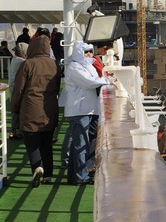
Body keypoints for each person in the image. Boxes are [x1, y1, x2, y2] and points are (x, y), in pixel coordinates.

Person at [9, 35, 60, 186]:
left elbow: (18, 89)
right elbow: (57, 87)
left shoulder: (27, 64)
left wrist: (15, 108)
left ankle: (37, 168)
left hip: (30, 109)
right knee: (47, 143)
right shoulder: (54, 64)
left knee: (32, 143)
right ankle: (48, 175)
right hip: (50, 109)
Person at [61, 39, 110, 184]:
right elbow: (89, 82)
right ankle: (81, 176)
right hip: (79, 110)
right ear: (79, 53)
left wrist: (103, 79)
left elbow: (94, 79)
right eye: (86, 52)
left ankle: (76, 176)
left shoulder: (86, 66)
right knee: (80, 144)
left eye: (90, 51)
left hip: (88, 109)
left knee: (83, 144)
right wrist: (107, 81)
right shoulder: (74, 68)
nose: (89, 54)